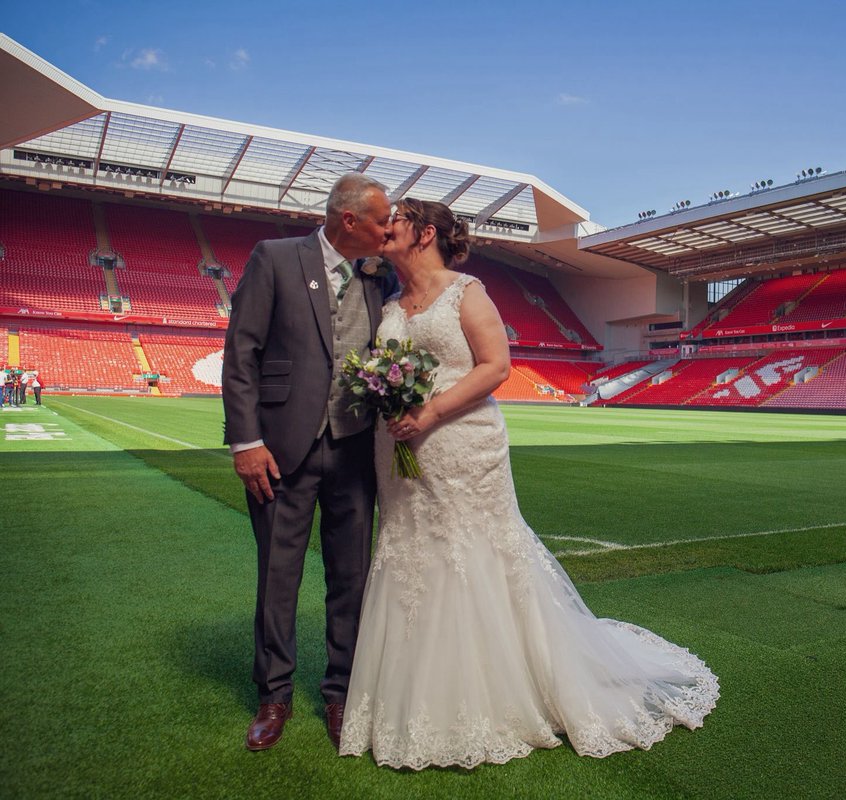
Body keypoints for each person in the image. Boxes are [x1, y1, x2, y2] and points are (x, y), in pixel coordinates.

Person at [339, 199, 718, 770]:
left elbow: (495, 366)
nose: (386, 224)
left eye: (398, 217)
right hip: (399, 448)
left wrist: (432, 412)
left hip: (461, 441)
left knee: (473, 553)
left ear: (425, 233)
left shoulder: (468, 292)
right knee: (413, 554)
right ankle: (419, 685)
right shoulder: (388, 301)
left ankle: (505, 686)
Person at [222, 173, 399, 752]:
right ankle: (274, 695)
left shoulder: (381, 274)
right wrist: (246, 442)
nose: (389, 229)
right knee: (278, 577)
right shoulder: (274, 258)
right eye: (381, 220)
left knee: (351, 578)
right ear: (349, 220)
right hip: (279, 450)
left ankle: (341, 692)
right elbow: (242, 351)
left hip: (354, 451)